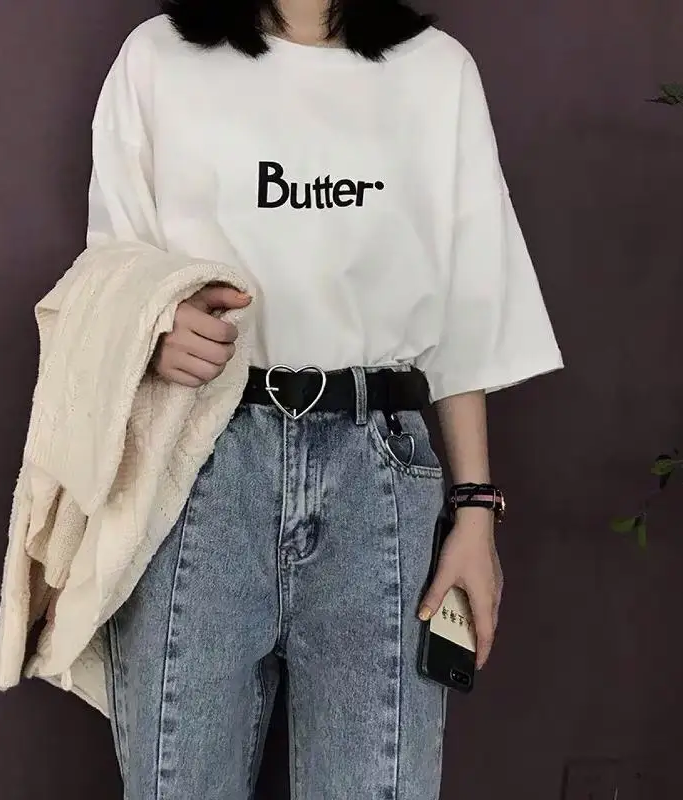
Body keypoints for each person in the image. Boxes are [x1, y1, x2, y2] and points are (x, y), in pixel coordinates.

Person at [87, 0, 563, 797]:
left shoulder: (435, 71)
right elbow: (112, 266)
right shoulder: (157, 58)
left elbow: (469, 311)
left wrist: (476, 509)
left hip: (378, 481)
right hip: (199, 465)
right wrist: (152, 328)